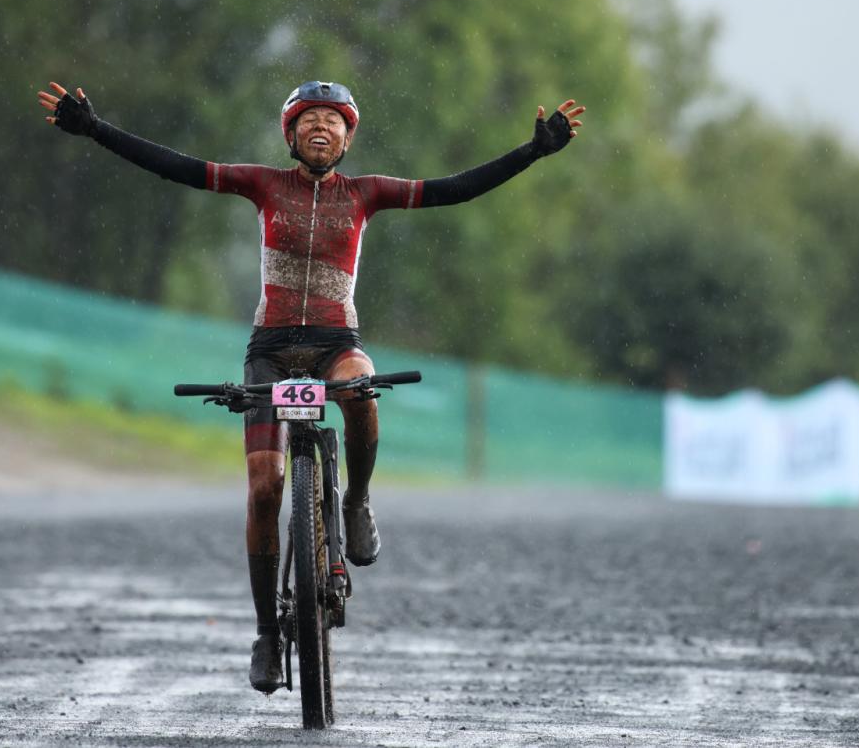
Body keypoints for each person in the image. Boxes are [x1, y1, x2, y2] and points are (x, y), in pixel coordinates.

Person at [37, 79, 585, 693]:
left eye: (334, 120)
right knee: (265, 489)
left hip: (335, 347)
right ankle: (269, 636)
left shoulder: (368, 194)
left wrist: (531, 151)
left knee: (360, 383)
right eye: (309, 120)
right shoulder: (262, 185)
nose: (321, 128)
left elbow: (455, 189)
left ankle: (355, 501)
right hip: (268, 353)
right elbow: (178, 167)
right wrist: (96, 129)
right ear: (291, 135)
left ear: (349, 136)